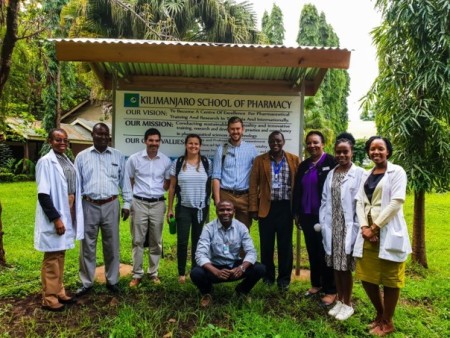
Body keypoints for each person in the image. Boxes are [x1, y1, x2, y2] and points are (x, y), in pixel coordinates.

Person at [353, 136, 411, 336]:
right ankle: (379, 314)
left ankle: (388, 321)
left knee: (389, 278)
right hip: (367, 233)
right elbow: (359, 202)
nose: (375, 152)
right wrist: (364, 228)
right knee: (367, 277)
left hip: (386, 232)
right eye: (372, 149)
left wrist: (374, 228)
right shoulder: (366, 174)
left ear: (388, 151)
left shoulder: (397, 172)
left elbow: (396, 202)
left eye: (380, 148)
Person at [74, 123, 132, 297]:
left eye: (105, 134)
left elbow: (125, 182)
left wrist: (127, 203)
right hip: (88, 204)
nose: (102, 137)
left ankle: (112, 281)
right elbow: (77, 185)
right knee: (87, 245)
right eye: (98, 134)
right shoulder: (82, 157)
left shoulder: (118, 156)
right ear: (92, 135)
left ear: (109, 137)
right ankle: (87, 282)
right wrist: (75, 209)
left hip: (111, 204)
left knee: (112, 244)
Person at [34, 128, 84, 311]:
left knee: (60, 253)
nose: (62, 142)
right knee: (52, 256)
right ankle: (49, 297)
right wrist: (56, 218)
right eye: (58, 140)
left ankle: (59, 290)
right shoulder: (45, 162)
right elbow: (43, 195)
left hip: (68, 207)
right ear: (49, 141)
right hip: (57, 212)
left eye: (65, 140)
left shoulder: (65, 159)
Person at [319, 133, 364, 320]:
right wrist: (323, 221)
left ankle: (348, 303)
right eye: (338, 152)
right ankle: (339, 299)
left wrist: (359, 227)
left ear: (352, 152)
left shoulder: (360, 173)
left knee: (345, 268)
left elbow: (362, 203)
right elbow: (324, 200)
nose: (341, 155)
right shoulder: (332, 173)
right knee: (336, 267)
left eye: (345, 152)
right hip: (332, 226)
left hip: (348, 227)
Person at [249, 131, 299, 291]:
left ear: (283, 142)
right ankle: (268, 278)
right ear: (269, 142)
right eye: (272, 141)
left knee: (285, 246)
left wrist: (297, 210)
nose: (275, 144)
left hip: (286, 208)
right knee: (267, 245)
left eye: (278, 141)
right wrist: (253, 208)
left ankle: (284, 280)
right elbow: (252, 185)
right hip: (266, 208)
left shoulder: (293, 159)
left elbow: (298, 187)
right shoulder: (260, 160)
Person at [190, 200, 265, 307]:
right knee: (196, 273)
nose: (225, 212)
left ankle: (241, 291)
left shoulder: (241, 227)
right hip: (215, 267)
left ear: (234, 211)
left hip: (234, 268)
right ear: (216, 212)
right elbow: (200, 254)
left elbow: (251, 252)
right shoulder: (208, 228)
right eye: (222, 210)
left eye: (228, 210)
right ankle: (207, 292)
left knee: (260, 268)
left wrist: (242, 268)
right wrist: (215, 271)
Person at [292, 130, 337, 305]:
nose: (312, 146)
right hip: (307, 215)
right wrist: (296, 213)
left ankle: (331, 289)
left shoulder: (331, 162)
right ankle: (316, 284)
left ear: (323, 143)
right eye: (309, 143)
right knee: (312, 250)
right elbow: (297, 190)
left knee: (326, 251)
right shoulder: (303, 165)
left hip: (325, 216)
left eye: (315, 142)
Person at [125, 128, 172, 287]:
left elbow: (166, 184)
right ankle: (137, 274)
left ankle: (153, 273)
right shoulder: (134, 159)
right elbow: (130, 181)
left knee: (156, 241)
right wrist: (135, 198)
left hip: (158, 204)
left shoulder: (165, 161)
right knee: (137, 240)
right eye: (151, 140)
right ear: (145, 141)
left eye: (157, 141)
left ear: (160, 142)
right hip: (139, 203)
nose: (154, 144)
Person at [167, 134, 212, 284]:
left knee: (198, 241)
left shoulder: (207, 163)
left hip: (201, 209)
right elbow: (172, 187)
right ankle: (181, 273)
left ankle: (195, 271)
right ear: (186, 145)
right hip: (183, 208)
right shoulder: (178, 163)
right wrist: (170, 208)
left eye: (196, 144)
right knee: (182, 241)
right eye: (190, 143)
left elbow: (210, 185)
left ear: (200, 146)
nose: (193, 146)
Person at [212, 116, 258, 228]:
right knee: (224, 229)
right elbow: (216, 177)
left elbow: (257, 175)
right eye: (232, 129)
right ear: (228, 130)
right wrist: (218, 202)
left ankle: (240, 247)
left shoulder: (251, 149)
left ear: (243, 129)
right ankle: (225, 247)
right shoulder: (221, 149)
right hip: (226, 195)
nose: (235, 132)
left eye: (238, 128)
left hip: (244, 196)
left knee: (243, 231)